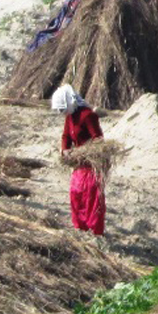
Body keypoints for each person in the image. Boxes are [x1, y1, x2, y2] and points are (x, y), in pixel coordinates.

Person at [52, 84, 106, 236]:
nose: (61, 113)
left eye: (62, 109)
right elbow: (66, 136)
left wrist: (83, 152)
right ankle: (80, 227)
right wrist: (64, 149)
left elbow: (98, 139)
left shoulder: (87, 115)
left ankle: (95, 231)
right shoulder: (70, 117)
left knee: (91, 197)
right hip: (78, 165)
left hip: (90, 165)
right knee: (76, 194)